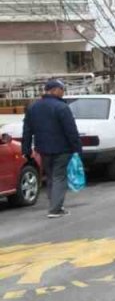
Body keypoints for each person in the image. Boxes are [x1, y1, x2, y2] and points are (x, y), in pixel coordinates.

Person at [21, 79, 83, 218]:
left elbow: (27, 131)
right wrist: (77, 149)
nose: (63, 92)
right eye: (62, 89)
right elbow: (71, 130)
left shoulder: (33, 107)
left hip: (43, 149)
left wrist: (26, 150)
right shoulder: (62, 107)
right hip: (62, 149)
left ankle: (55, 204)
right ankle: (55, 209)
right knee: (59, 177)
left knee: (50, 177)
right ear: (55, 90)